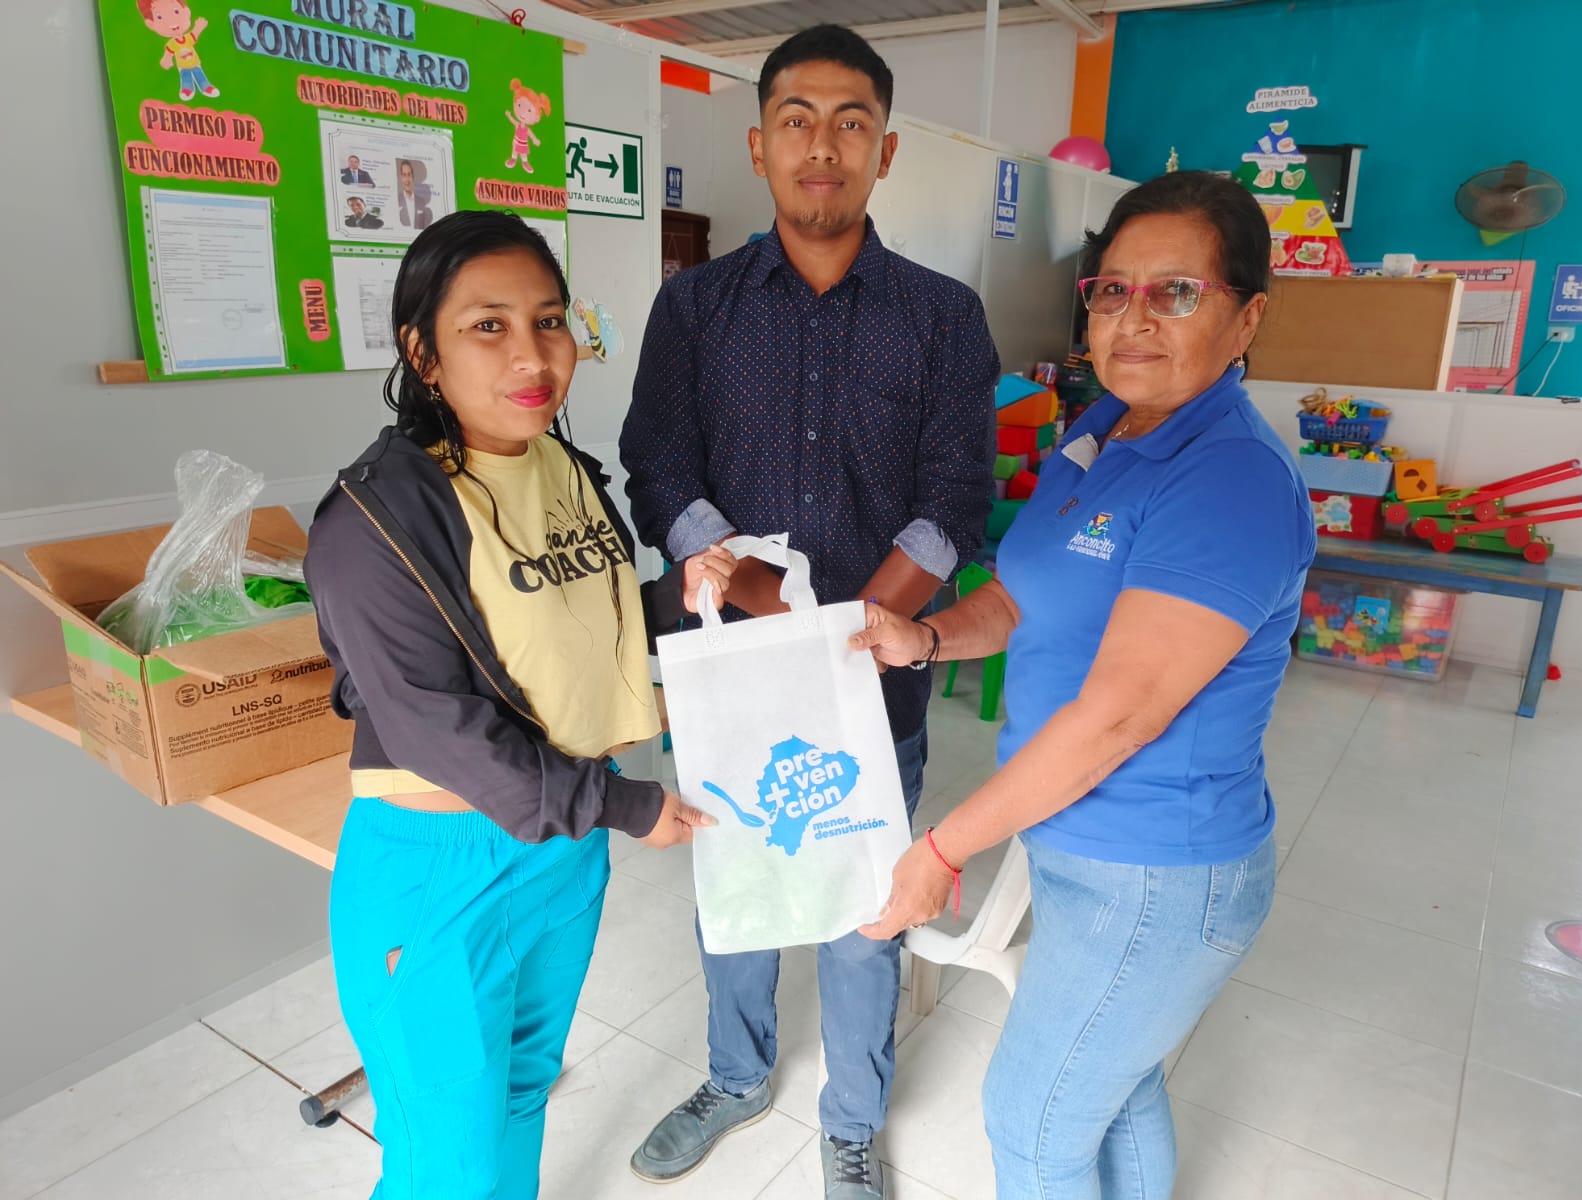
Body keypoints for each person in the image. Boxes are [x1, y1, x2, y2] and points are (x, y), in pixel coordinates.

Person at [850, 170, 1315, 1199]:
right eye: (1112, 290)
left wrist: (940, 850)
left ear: (1247, 318)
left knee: (1032, 1121)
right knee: (1117, 1090)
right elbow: (1020, 598)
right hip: (1079, 845)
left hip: (1155, 871)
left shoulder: (1229, 478)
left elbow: (1118, 717)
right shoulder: (1099, 431)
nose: (1134, 318)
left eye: (1176, 292)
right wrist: (922, 638)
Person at [619, 24, 998, 1200]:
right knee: (734, 880)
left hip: (878, 674)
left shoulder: (943, 316)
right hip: (733, 675)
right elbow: (658, 469)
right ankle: (736, 1078)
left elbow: (956, 497)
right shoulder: (695, 310)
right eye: (796, 121)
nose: (821, 146)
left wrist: (850, 634)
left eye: (849, 123)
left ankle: (852, 1120)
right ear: (759, 145)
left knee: (865, 901)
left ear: (885, 150)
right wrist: (778, 610)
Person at [303, 210, 734, 1198]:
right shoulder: (373, 519)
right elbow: (432, 724)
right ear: (422, 351)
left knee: (523, 1090)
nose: (533, 355)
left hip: (559, 851)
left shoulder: (562, 468)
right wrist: (626, 804)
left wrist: (678, 594)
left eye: (549, 320)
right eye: (487, 326)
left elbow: (578, 625)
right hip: (441, 872)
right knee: (444, 1157)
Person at [396, 158, 434, 230]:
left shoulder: (421, 201)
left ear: (413, 177)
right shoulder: (396, 200)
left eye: (409, 174)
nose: (407, 179)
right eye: (404, 175)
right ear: (401, 178)